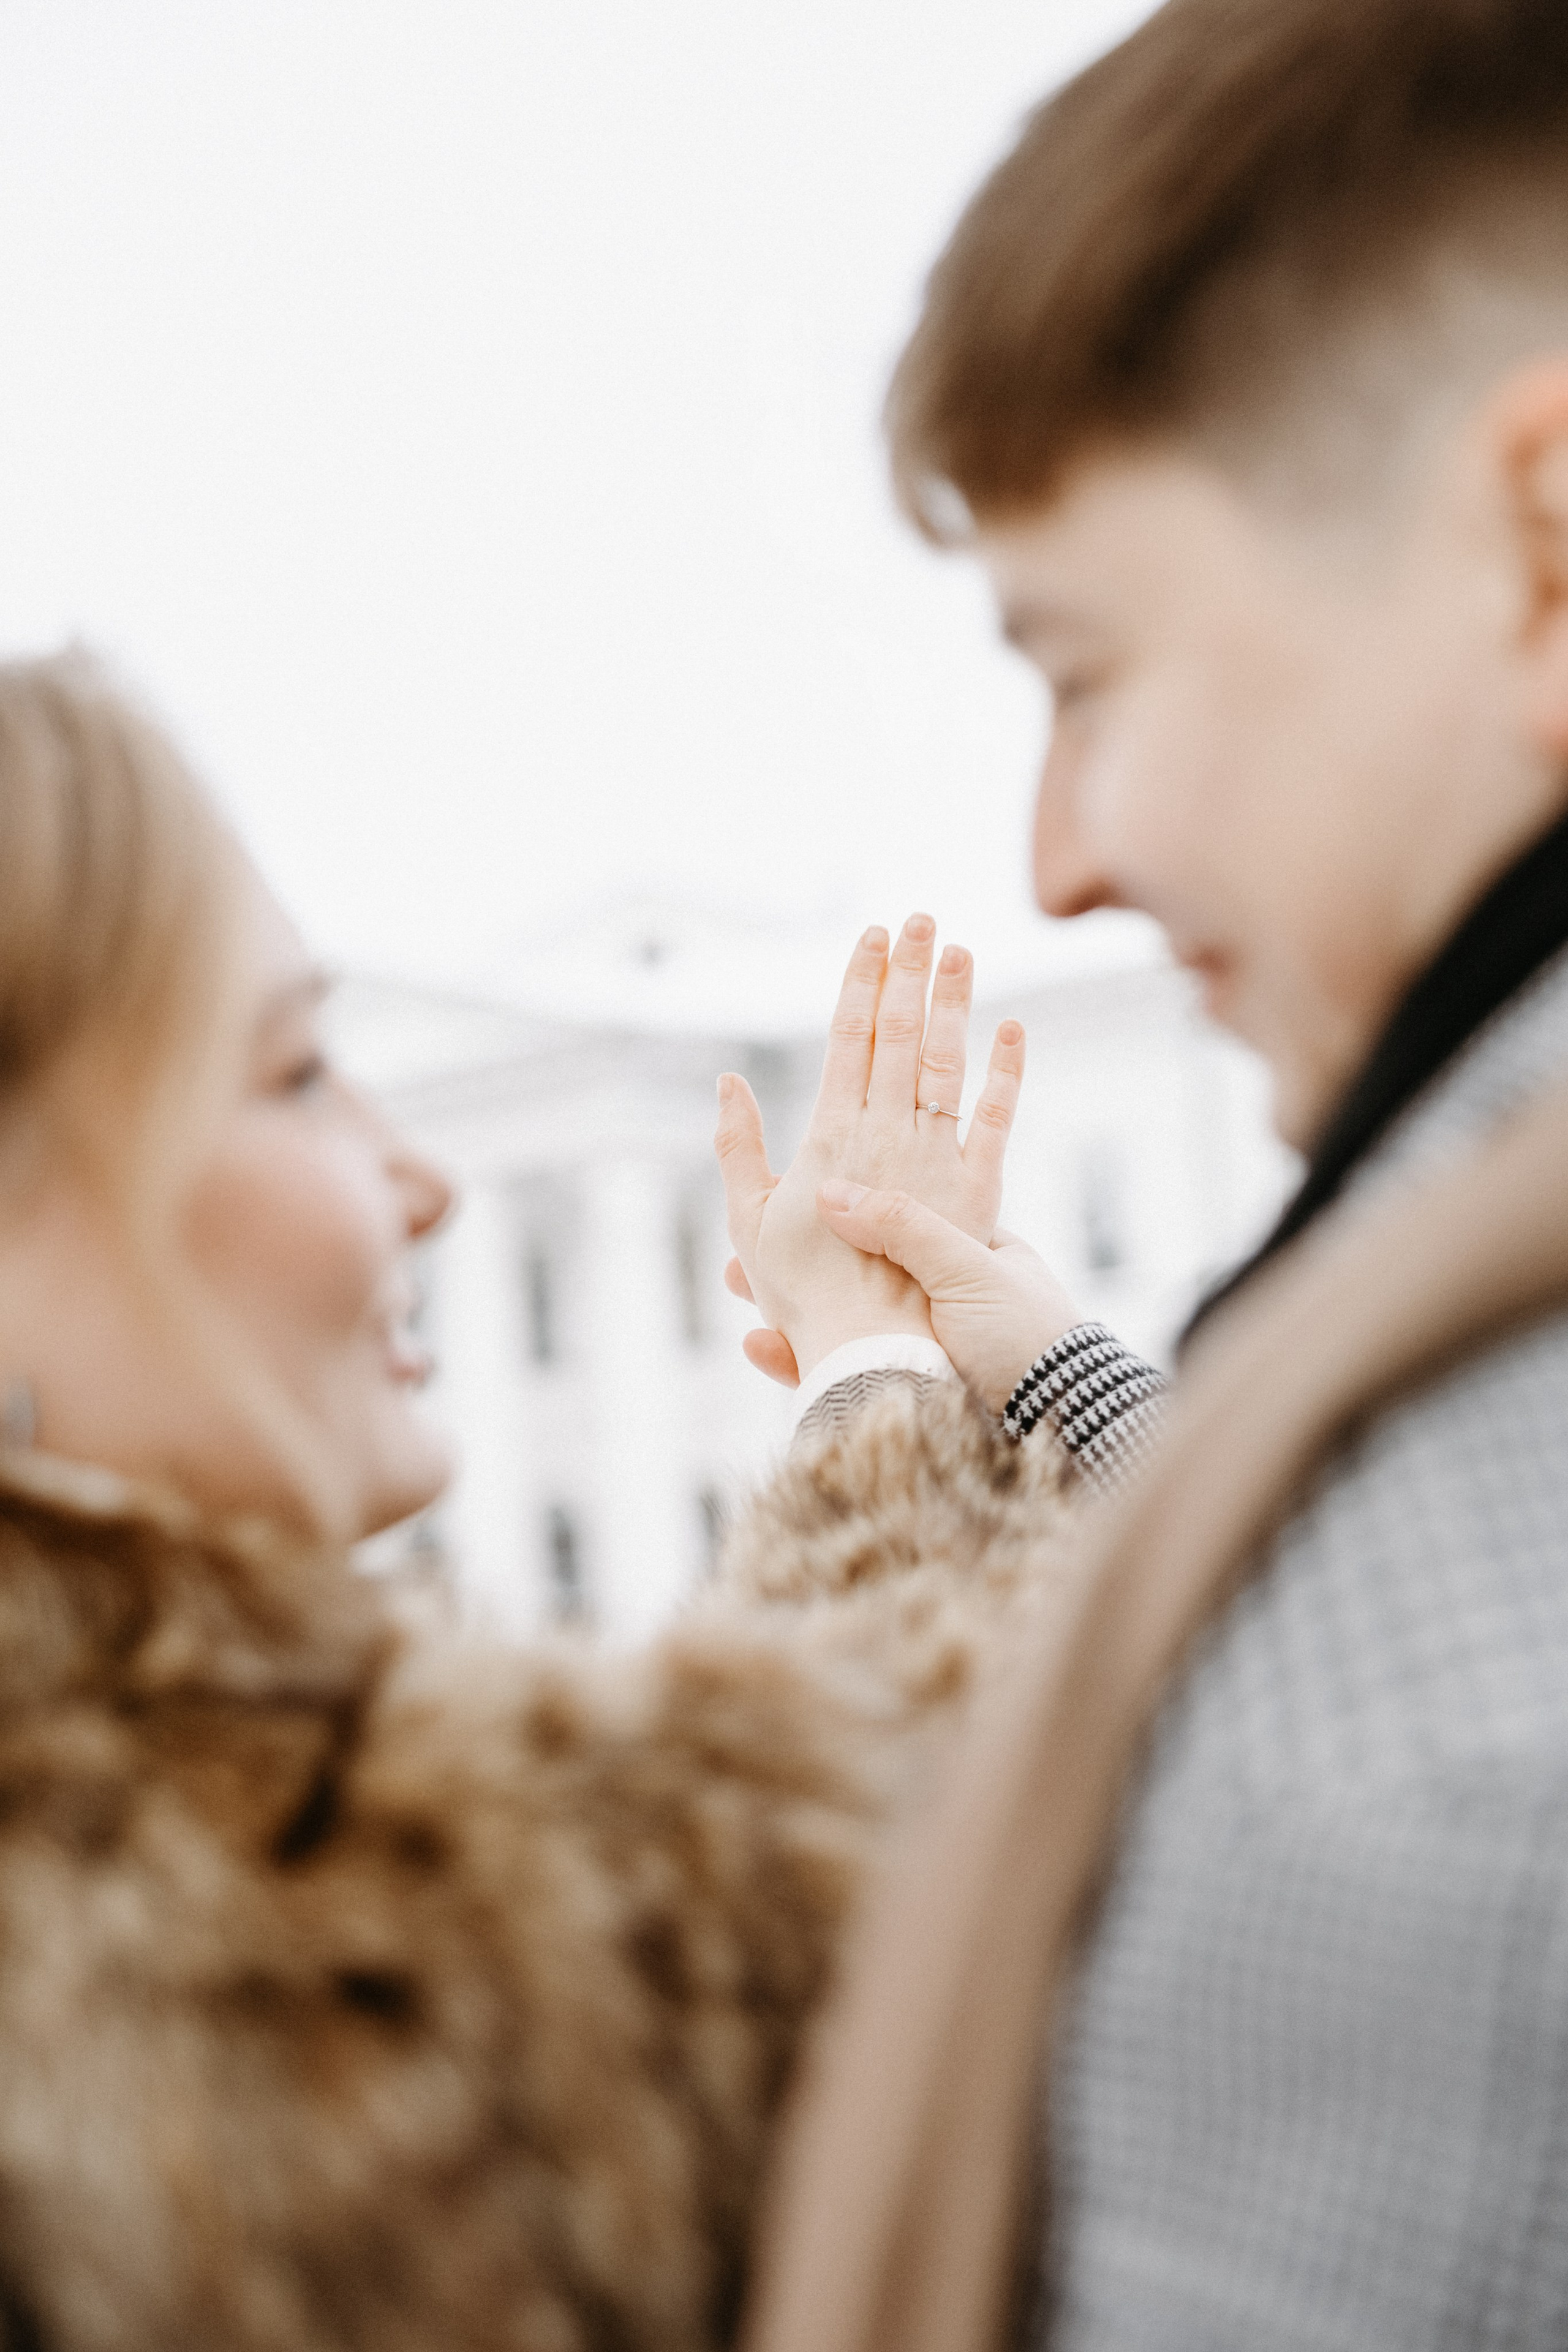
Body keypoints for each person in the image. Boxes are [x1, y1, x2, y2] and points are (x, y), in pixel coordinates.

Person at [714, 0, 1568, 2340]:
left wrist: (864, 1401)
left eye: (1084, 672)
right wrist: (1040, 1356)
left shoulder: (1411, 1785)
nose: (1060, 856)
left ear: (1546, 545)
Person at [0, 652, 1075, 2351]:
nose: (419, 1181)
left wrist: (873, 1377)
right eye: (292, 1078)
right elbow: (995, 1828)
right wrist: (975, 1379)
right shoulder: (265, 1953)